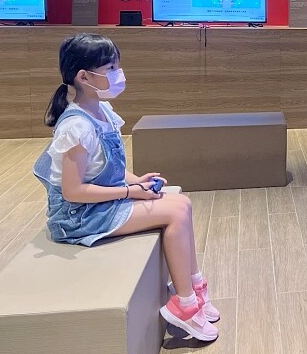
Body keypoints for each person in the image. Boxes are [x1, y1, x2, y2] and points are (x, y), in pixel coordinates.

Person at [32, 34, 219, 342]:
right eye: (110, 68)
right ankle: (185, 305)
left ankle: (192, 288)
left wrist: (136, 180)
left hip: (100, 203)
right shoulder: (76, 126)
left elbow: (107, 168)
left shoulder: (103, 111)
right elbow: (73, 192)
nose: (118, 74)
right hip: (79, 217)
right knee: (175, 213)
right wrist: (131, 192)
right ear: (84, 77)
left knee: (182, 204)